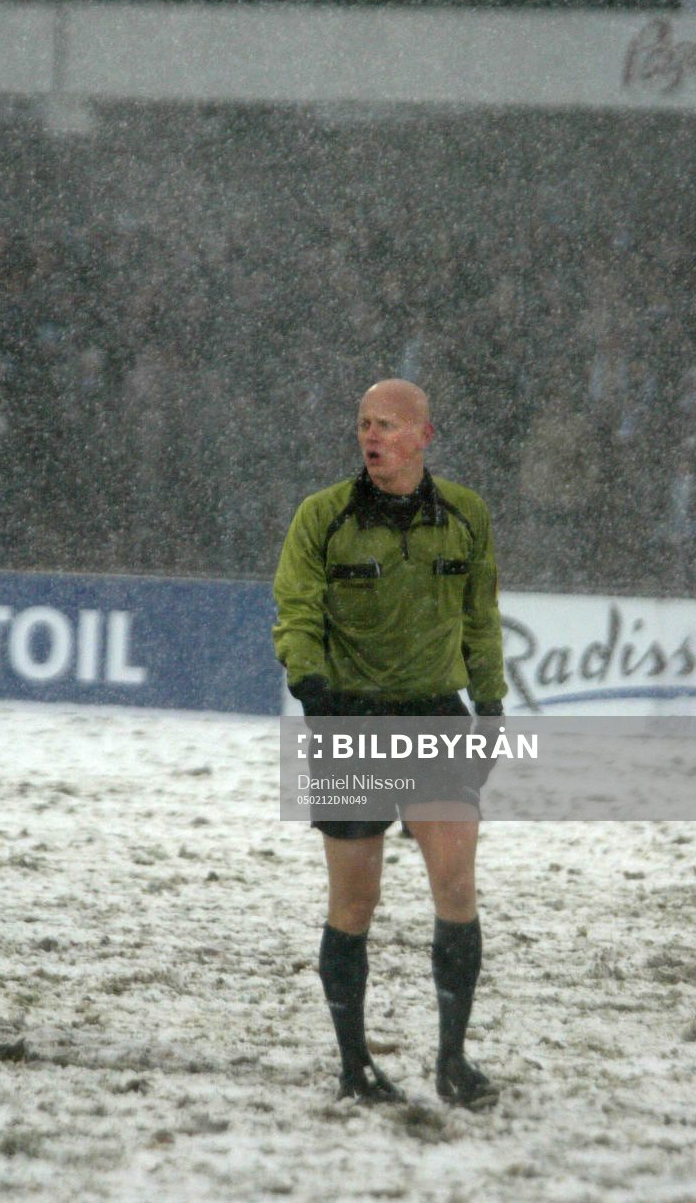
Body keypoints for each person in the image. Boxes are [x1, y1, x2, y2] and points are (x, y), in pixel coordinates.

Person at [272, 378, 507, 1108]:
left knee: (457, 888)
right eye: (362, 424)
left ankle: (452, 1063)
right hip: (348, 723)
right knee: (353, 904)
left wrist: (491, 702)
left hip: (436, 718)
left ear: (422, 436)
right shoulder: (322, 517)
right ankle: (353, 1069)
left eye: (385, 425)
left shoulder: (464, 514)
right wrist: (311, 687)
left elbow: (481, 613)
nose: (370, 437)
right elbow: (295, 607)